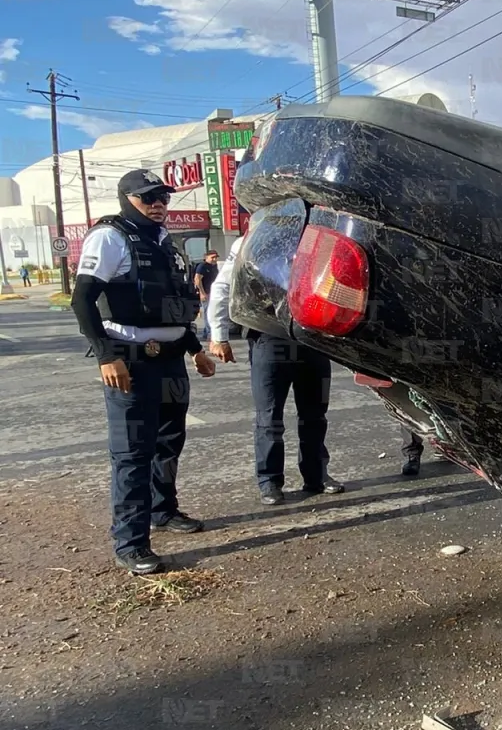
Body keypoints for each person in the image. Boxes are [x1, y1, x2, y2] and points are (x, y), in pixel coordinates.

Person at [69, 169, 217, 576]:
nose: (158, 204)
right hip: (130, 361)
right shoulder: (110, 237)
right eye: (148, 197)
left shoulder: (165, 243)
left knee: (170, 442)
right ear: (126, 198)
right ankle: (131, 543)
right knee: (133, 452)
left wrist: (195, 349)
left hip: (171, 358)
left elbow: (172, 304)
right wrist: (105, 355)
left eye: (163, 198)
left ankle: (162, 510)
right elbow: (82, 300)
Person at [206, 231, 345, 505]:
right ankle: (269, 481)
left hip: (312, 337)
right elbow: (223, 286)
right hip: (269, 336)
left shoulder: (321, 237)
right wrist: (219, 334)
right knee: (270, 417)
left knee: (315, 415)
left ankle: (316, 475)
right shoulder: (252, 238)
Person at [192, 251, 220, 340]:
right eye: (212, 257)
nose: (215, 259)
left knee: (211, 312)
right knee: (209, 313)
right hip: (206, 293)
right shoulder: (202, 266)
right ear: (206, 257)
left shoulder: (214, 267)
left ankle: (206, 332)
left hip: (213, 293)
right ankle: (210, 333)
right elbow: (197, 279)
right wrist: (202, 293)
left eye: (216, 257)